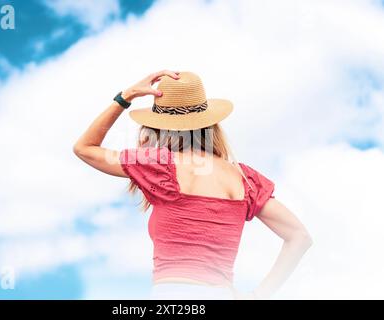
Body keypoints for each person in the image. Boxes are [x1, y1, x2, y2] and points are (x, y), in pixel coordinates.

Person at [73, 70, 312, 300]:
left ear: (158, 125)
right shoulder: (244, 179)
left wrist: (126, 96)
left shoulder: (159, 165)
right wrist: (257, 297)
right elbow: (299, 236)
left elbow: (85, 148)